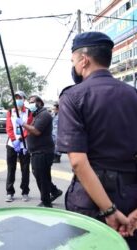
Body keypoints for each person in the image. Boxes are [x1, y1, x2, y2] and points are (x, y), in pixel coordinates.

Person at [57, 31, 137, 248]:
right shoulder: (133, 95)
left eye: (73, 60)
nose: (73, 66)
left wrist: (109, 211)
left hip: (91, 203)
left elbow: (78, 162)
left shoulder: (73, 97)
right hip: (132, 200)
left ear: (84, 60)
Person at [17, 95, 63, 208]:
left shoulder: (44, 115)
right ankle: (54, 191)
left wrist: (23, 124)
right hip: (37, 151)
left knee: (41, 177)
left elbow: (36, 131)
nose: (30, 104)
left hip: (42, 152)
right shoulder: (37, 115)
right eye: (29, 102)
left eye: (32, 102)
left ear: (40, 103)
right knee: (42, 176)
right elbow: (31, 132)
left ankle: (46, 202)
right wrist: (22, 141)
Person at [5, 91, 32, 202]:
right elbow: (9, 127)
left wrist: (20, 139)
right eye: (16, 98)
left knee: (25, 169)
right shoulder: (10, 112)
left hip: (24, 145)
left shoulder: (29, 112)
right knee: (11, 169)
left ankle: (25, 192)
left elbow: (29, 128)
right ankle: (9, 192)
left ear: (24, 99)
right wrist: (14, 140)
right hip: (12, 144)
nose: (18, 100)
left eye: (20, 98)